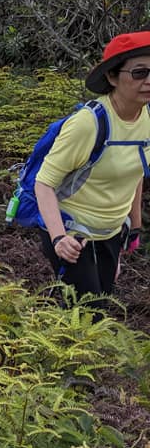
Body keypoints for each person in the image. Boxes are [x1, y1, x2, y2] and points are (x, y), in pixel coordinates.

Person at [35, 31, 150, 302]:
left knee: (101, 301)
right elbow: (44, 183)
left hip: (111, 231)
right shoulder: (88, 124)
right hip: (72, 232)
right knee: (88, 310)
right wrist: (58, 239)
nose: (149, 81)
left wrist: (134, 226)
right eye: (139, 73)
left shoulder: (147, 120)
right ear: (112, 77)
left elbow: (135, 172)